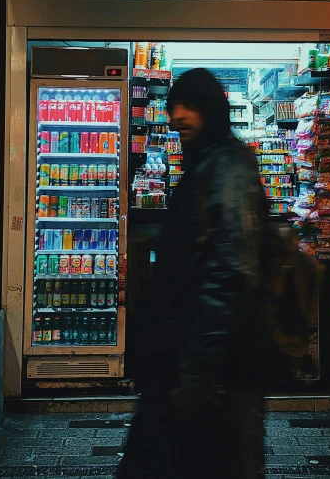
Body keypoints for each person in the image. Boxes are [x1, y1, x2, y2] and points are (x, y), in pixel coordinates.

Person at [118, 68, 268, 479]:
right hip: (184, 362)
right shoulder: (206, 162)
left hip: (208, 370)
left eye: (188, 107)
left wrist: (199, 369)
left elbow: (232, 273)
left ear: (210, 110)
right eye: (172, 107)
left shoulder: (228, 167)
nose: (176, 116)